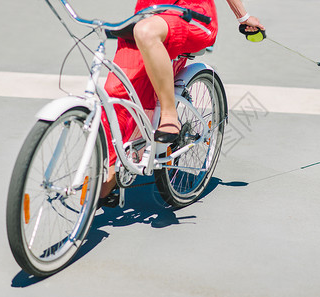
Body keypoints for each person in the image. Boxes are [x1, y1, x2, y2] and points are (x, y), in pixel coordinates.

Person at [99, 0, 265, 202]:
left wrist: (244, 17)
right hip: (147, 16)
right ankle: (114, 165)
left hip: (192, 17)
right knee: (113, 92)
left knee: (146, 32)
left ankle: (169, 114)